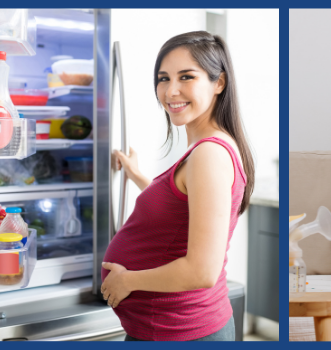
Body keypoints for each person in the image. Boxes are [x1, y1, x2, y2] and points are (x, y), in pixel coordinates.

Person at [98, 30, 257, 341]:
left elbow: (202, 271)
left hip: (181, 331)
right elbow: (177, 208)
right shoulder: (208, 149)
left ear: (219, 83)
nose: (171, 91)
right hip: (171, 328)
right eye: (163, 78)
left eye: (186, 77)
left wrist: (127, 281)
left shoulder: (209, 154)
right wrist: (136, 174)